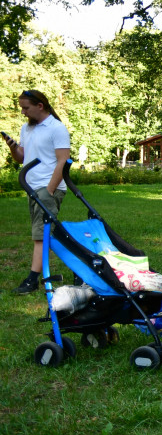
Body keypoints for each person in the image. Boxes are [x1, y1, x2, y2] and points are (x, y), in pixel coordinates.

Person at [4, 90, 71, 295]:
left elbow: (63, 161)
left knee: (41, 236)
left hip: (47, 188)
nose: (23, 112)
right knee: (43, 233)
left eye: (26, 108)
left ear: (40, 106)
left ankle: (32, 280)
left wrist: (50, 190)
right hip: (32, 187)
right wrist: (13, 148)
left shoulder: (57, 128)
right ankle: (77, 262)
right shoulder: (27, 128)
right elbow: (21, 157)